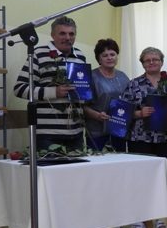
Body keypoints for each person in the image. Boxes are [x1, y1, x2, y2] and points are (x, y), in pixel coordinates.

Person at [121, 46, 167, 228]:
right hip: (140, 137)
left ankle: (160, 216)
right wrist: (139, 113)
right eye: (147, 60)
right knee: (140, 178)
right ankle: (138, 218)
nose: (152, 62)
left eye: (155, 59)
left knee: (161, 178)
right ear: (143, 63)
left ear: (162, 62)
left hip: (165, 137)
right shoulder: (133, 84)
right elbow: (122, 110)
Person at [14, 16, 87, 151]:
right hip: (48, 135)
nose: (68, 38)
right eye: (62, 33)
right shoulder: (38, 54)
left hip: (76, 133)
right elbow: (20, 88)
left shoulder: (80, 56)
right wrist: (54, 92)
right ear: (53, 35)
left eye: (71, 34)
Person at [83, 38, 130, 151]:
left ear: (117, 56)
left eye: (112, 54)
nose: (109, 58)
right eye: (105, 55)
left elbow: (129, 101)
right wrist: (97, 115)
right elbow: (82, 106)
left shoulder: (123, 76)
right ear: (99, 59)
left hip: (119, 131)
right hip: (97, 132)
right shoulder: (91, 76)